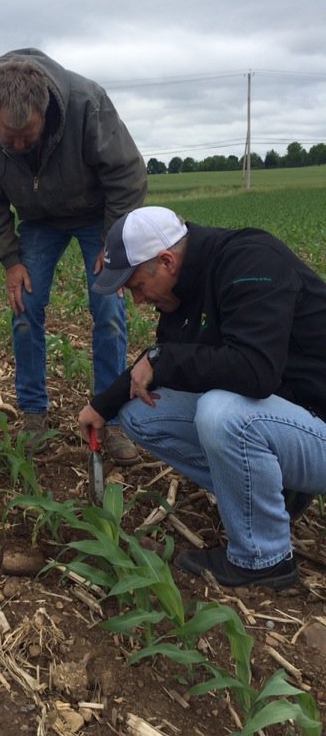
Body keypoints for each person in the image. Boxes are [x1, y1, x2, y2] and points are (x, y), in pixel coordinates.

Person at [78, 205, 326, 589]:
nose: (137, 300)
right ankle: (272, 493)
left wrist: (162, 359)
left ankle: (263, 560)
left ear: (166, 261)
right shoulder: (184, 289)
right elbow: (164, 362)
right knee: (139, 413)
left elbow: (255, 371)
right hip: (291, 419)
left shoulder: (251, 261)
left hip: (317, 421)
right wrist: (102, 405)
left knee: (222, 413)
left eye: (137, 286)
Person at [0, 47, 147, 460]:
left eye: (28, 136)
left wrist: (113, 243)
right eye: (9, 138)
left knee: (108, 307)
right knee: (24, 304)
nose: (19, 145)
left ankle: (111, 418)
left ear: (45, 110)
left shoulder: (87, 103)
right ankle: (33, 415)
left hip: (97, 214)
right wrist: (10, 260)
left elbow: (127, 174)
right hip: (38, 219)